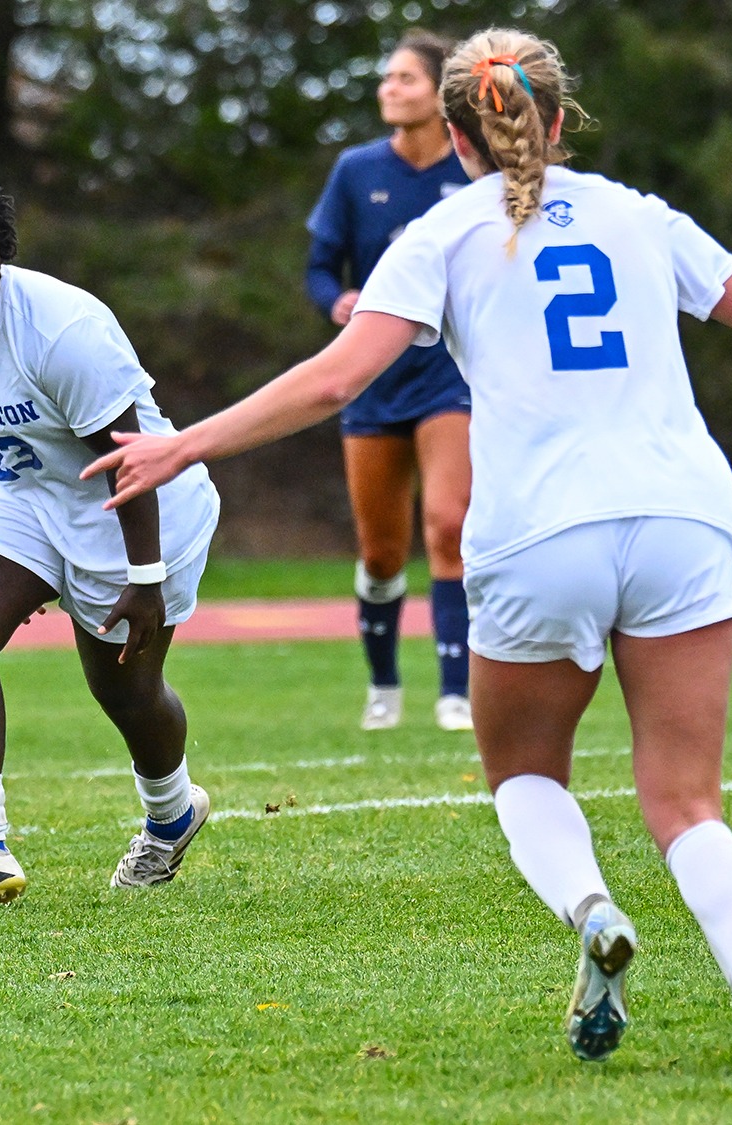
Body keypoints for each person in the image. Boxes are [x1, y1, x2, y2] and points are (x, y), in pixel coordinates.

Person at [83, 28, 732, 1074]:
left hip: (537, 532)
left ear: (455, 135)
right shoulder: (639, 217)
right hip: (680, 517)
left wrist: (182, 443)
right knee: (685, 802)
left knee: (523, 778)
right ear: (555, 119)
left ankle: (591, 908)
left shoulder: (439, 233)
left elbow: (334, 381)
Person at [0, 166, 223, 911]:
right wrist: (23, 563)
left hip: (132, 505)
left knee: (125, 691)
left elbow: (128, 456)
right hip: (26, 492)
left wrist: (145, 577)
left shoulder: (63, 331)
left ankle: (172, 811)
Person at [305, 30, 475, 732]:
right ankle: (384, 686)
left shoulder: (471, 173)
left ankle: (456, 692)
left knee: (448, 525)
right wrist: (336, 302)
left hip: (447, 375)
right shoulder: (355, 170)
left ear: (441, 94)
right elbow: (320, 267)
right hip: (373, 379)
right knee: (379, 550)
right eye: (386, 79)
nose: (388, 90)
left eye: (405, 79)